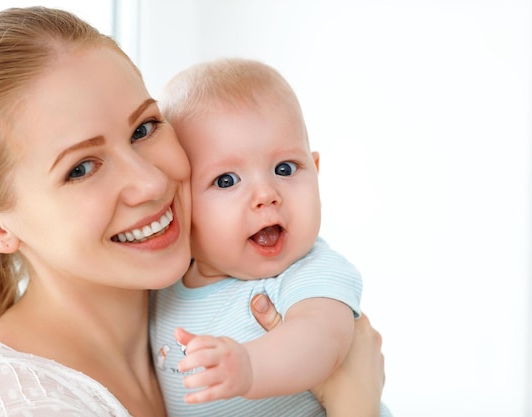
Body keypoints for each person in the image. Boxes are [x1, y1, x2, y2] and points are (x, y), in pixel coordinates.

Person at [0, 6, 387, 417]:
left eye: (144, 128)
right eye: (82, 168)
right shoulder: (4, 402)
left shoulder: (218, 290)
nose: (153, 182)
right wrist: (353, 404)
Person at [151, 58, 391, 416]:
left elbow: (322, 340)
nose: (266, 193)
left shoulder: (309, 272)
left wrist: (249, 365)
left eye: (284, 169)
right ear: (180, 200)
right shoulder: (165, 286)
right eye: (227, 180)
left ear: (316, 171)